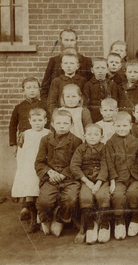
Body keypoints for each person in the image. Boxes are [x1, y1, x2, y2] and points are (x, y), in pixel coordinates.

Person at [35, 110, 82, 237]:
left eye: (66, 123)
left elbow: (76, 163)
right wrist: (50, 172)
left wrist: (64, 174)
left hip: (69, 178)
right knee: (44, 201)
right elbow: (39, 162)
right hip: (51, 178)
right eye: (59, 123)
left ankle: (61, 219)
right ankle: (45, 219)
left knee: (70, 199)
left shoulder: (77, 141)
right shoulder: (45, 140)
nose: (62, 126)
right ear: (53, 124)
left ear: (71, 124)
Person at [9, 77, 49, 221]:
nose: (32, 90)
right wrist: (14, 144)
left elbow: (49, 123)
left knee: (37, 172)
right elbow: (13, 126)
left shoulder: (44, 104)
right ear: (24, 90)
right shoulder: (19, 107)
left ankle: (38, 204)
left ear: (39, 89)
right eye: (28, 87)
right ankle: (25, 205)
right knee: (26, 172)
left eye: (34, 87)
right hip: (25, 145)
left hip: (41, 143)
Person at [106, 111, 138, 239]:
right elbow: (109, 163)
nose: (121, 129)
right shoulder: (110, 143)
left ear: (130, 126)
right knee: (117, 195)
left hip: (134, 176)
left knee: (133, 193)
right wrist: (112, 180)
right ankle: (120, 221)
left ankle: (135, 218)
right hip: (119, 178)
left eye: (124, 126)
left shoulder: (136, 141)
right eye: (118, 126)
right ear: (113, 126)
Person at [70, 124, 111, 244]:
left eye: (96, 134)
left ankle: (104, 224)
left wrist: (98, 183)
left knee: (103, 196)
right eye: (89, 134)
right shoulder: (80, 149)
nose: (92, 137)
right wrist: (87, 181)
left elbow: (105, 166)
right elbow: (74, 166)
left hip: (101, 180)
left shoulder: (104, 148)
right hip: (86, 180)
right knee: (85, 197)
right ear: (84, 136)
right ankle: (90, 225)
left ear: (101, 137)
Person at [11, 108, 50, 233]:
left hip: (43, 165)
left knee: (42, 192)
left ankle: (42, 217)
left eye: (40, 120)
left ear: (45, 121)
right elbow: (22, 154)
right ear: (29, 121)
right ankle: (34, 221)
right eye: (34, 120)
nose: (37, 123)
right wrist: (22, 169)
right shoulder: (25, 134)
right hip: (29, 167)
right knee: (31, 193)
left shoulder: (49, 133)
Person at [40, 29, 92, 101]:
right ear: (61, 42)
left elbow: (91, 86)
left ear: (76, 41)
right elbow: (45, 88)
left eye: (72, 40)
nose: (69, 43)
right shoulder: (54, 61)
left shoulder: (86, 61)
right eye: (66, 40)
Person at [83, 57, 118, 122]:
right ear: (92, 70)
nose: (100, 71)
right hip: (93, 116)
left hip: (109, 116)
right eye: (97, 68)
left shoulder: (112, 84)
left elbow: (115, 101)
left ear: (107, 70)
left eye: (103, 68)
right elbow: (86, 104)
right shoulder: (88, 85)